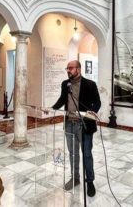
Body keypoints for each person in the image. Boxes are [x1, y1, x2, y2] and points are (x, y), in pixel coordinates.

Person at [51, 60, 101, 197]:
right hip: (69, 124)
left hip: (84, 125)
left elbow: (97, 102)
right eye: (67, 68)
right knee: (73, 153)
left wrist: (89, 115)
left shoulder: (90, 84)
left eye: (71, 68)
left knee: (86, 154)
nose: (68, 70)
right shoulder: (65, 84)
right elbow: (62, 99)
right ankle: (75, 178)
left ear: (78, 69)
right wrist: (52, 109)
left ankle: (90, 181)